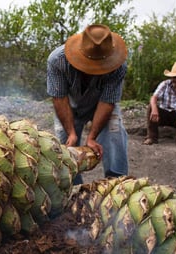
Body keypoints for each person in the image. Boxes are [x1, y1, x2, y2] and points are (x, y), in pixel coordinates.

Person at [47, 24, 129, 184]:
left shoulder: (118, 66)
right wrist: (71, 132)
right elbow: (59, 98)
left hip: (100, 104)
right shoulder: (57, 60)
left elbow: (107, 102)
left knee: (115, 134)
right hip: (69, 106)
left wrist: (91, 137)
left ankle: (118, 185)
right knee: (66, 148)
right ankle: (74, 188)